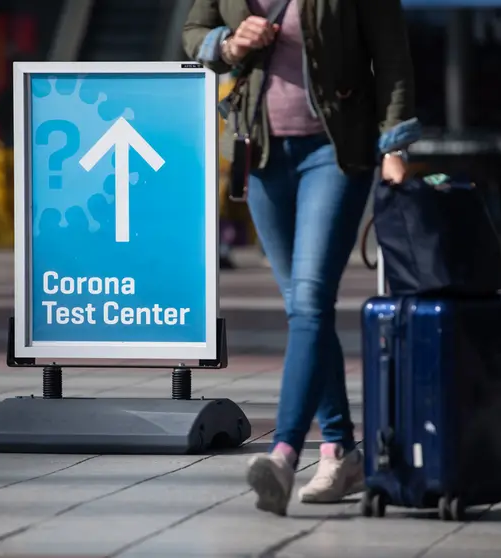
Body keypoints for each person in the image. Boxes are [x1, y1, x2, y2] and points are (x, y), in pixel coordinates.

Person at [183, 0, 419, 516]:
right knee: (303, 309)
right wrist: (227, 44)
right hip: (262, 154)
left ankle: (285, 453)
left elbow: (392, 56)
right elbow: (194, 31)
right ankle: (341, 451)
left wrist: (395, 144)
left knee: (310, 299)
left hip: (333, 153)